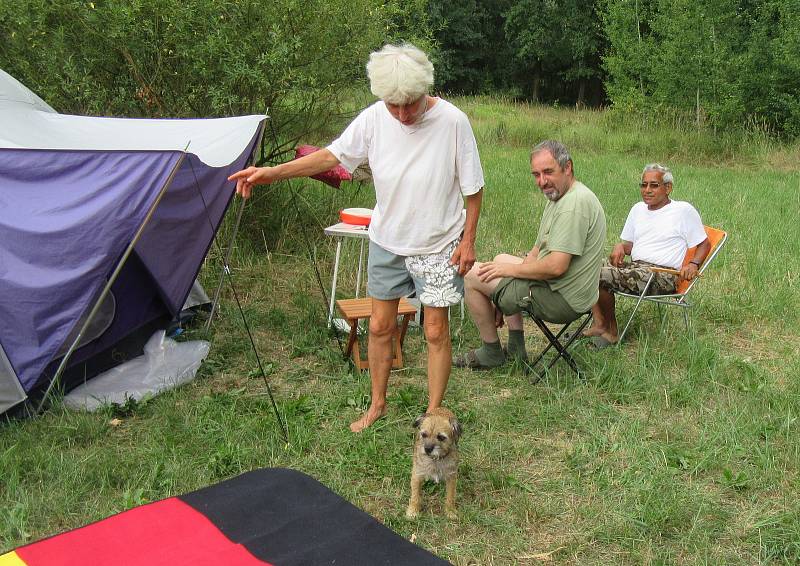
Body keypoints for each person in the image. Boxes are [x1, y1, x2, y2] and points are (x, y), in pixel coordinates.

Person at [229, 43, 484, 432]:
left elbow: (473, 189)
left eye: (409, 104)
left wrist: (468, 241)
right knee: (379, 327)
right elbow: (331, 157)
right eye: (392, 105)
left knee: (435, 330)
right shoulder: (373, 119)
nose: (401, 113)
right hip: (386, 240)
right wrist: (269, 172)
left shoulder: (453, 122)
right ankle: (376, 405)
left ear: (425, 90)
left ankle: (433, 415)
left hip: (439, 244)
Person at [453, 140, 606, 369]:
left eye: (548, 172)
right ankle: (516, 347)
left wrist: (507, 276)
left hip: (564, 299)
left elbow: (556, 266)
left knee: (471, 275)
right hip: (565, 287)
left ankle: (491, 352)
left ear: (568, 167)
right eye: (536, 174)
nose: (542, 182)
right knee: (500, 259)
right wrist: (501, 291)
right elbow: (536, 251)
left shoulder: (573, 205)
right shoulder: (561, 196)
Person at [584, 163, 710, 346]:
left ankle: (610, 332)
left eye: (654, 185)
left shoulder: (683, 211)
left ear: (668, 188)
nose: (647, 190)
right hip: (636, 267)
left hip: (662, 275)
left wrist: (693, 264)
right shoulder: (637, 209)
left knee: (602, 275)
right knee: (587, 266)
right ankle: (600, 322)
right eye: (644, 185)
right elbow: (631, 245)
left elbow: (704, 244)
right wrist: (620, 246)